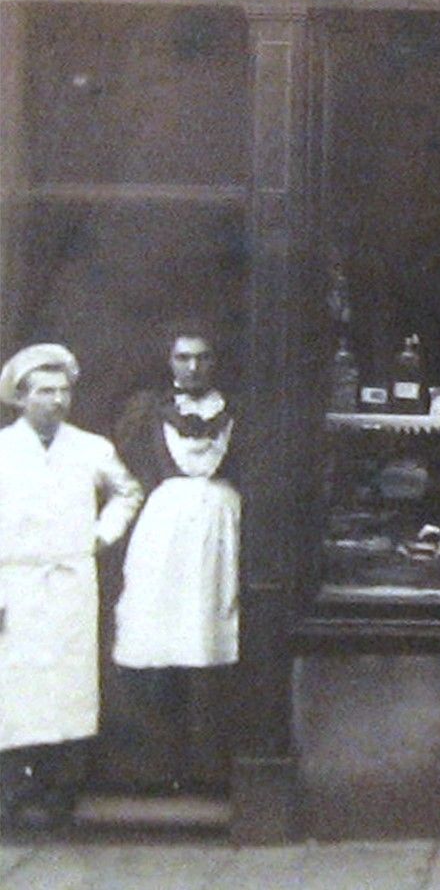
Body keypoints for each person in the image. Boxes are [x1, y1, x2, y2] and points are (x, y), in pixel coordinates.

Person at [0, 344, 142, 828]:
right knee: (15, 685)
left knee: (67, 684)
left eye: (63, 391)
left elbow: (127, 492)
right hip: (14, 582)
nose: (57, 401)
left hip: (69, 581)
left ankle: (60, 789)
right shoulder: (3, 450)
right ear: (21, 398)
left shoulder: (90, 448)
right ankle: (14, 790)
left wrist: (100, 535)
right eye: (45, 392)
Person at [111, 324, 240, 790]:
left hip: (222, 526)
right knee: (160, 630)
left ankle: (212, 768)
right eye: (183, 357)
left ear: (215, 362)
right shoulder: (149, 411)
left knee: (210, 631)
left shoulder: (235, 411)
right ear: (169, 362)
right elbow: (125, 471)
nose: (193, 367)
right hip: (165, 530)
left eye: (203, 357)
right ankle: (159, 767)